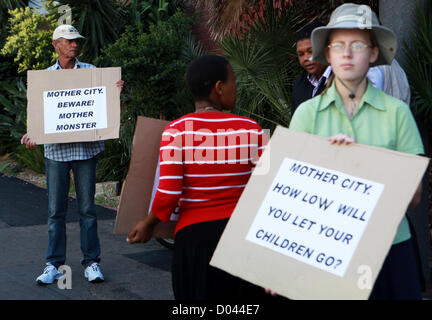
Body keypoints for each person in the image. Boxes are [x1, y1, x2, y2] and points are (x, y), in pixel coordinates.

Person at [289, 3, 424, 299]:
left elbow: (412, 195)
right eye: (338, 45)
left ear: (374, 53)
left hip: (390, 248)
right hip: (327, 250)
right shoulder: (307, 115)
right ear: (328, 53)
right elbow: (292, 192)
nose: (347, 54)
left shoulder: (397, 113)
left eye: (358, 45)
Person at [127, 55, 268, 300]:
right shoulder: (251, 128)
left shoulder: (176, 131)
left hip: (195, 242)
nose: (236, 87)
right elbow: (267, 188)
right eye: (233, 81)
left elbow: (169, 193)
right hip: (242, 238)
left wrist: (148, 224)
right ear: (219, 87)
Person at [21, 24, 124, 285]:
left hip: (85, 150)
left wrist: (115, 91)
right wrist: (30, 133)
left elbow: (103, 105)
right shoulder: (44, 77)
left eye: (76, 40)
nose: (74, 45)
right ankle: (53, 265)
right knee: (56, 210)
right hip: (56, 152)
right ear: (56, 44)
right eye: (68, 41)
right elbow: (39, 116)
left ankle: (92, 263)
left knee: (88, 209)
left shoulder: (92, 73)